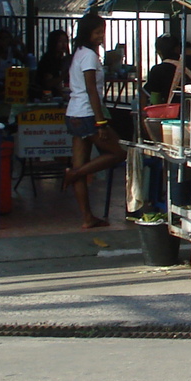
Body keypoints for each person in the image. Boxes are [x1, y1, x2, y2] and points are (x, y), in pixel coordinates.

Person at [62, 12, 124, 228]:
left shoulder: (78, 53)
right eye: (98, 32)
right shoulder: (89, 56)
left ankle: (87, 216)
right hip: (88, 114)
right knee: (118, 152)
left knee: (80, 162)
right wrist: (100, 122)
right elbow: (91, 90)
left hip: (74, 113)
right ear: (88, 32)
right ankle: (74, 174)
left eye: (102, 32)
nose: (101, 36)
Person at [144, 35, 185, 105]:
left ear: (158, 52)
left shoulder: (157, 70)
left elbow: (155, 99)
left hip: (172, 112)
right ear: (178, 49)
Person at [37, 29, 71, 99]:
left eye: (65, 41)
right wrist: (64, 75)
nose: (63, 44)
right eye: (60, 41)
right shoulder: (48, 60)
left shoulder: (62, 59)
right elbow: (48, 83)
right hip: (47, 95)